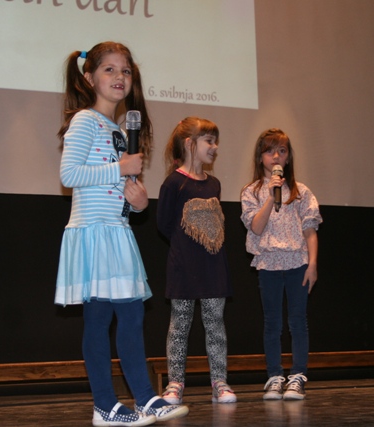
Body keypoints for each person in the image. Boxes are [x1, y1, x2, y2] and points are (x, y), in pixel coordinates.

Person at [54, 41, 189, 426]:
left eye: (126, 71)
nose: (119, 77)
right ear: (89, 78)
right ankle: (105, 405)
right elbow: (69, 174)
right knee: (101, 320)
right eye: (109, 69)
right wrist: (119, 168)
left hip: (117, 231)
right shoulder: (85, 120)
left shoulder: (118, 129)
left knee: (131, 316)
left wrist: (140, 202)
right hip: (94, 232)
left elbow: (121, 191)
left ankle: (144, 398)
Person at [156, 117, 237, 405]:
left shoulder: (214, 184)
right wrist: (186, 247)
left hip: (213, 267)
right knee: (179, 326)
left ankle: (220, 382)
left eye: (216, 141)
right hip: (183, 267)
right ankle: (175, 383)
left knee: (215, 325)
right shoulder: (174, 183)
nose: (215, 147)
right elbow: (164, 224)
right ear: (190, 143)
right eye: (209, 141)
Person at [240, 128, 322, 401]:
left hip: (298, 262)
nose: (276, 156)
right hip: (269, 263)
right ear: (260, 156)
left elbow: (310, 231)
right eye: (269, 150)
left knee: (298, 321)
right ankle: (274, 376)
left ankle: (297, 377)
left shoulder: (301, 192)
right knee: (272, 323)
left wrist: (312, 265)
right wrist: (269, 195)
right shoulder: (251, 191)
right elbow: (256, 226)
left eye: (282, 151)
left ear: (288, 157)